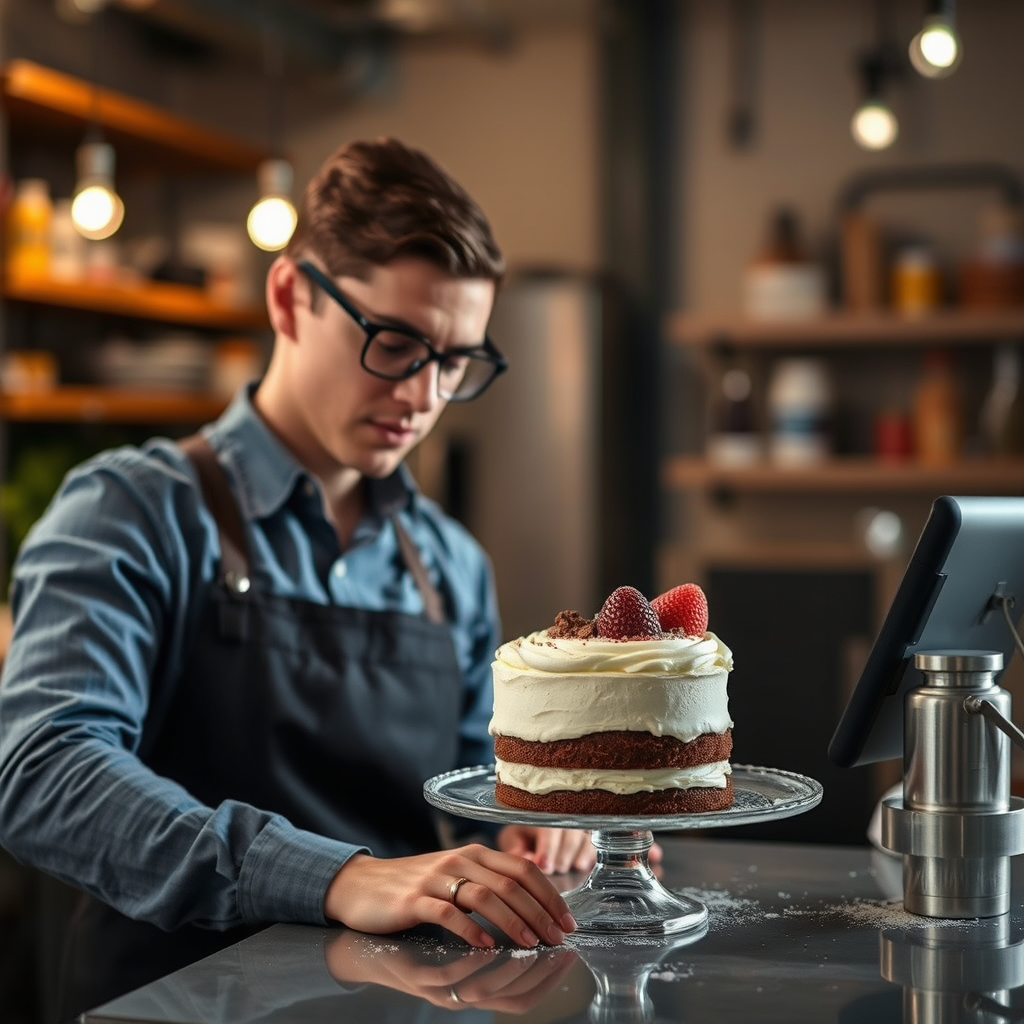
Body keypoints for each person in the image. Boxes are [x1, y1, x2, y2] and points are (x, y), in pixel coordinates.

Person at [0, 137, 599, 1020]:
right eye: (396, 343)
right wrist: (338, 876)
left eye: (456, 361)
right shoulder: (132, 510)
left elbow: (474, 787)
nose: (424, 395)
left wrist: (521, 831)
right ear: (289, 297)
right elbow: (46, 772)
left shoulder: (450, 565)